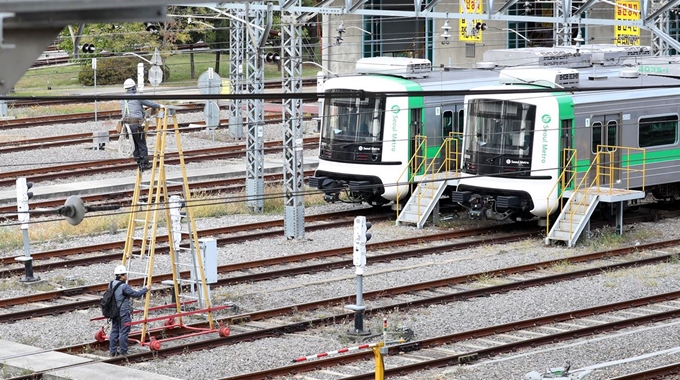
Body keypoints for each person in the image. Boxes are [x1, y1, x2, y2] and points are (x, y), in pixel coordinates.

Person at [120, 78, 162, 171]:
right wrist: (159, 106)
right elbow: (150, 103)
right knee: (141, 143)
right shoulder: (137, 97)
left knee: (134, 144)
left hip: (126, 126)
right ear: (134, 87)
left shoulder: (122, 99)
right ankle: (145, 164)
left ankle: (139, 163)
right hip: (136, 124)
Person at [109, 264, 150, 357]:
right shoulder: (124, 286)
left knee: (114, 330)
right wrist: (145, 289)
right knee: (123, 332)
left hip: (114, 312)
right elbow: (135, 294)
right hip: (123, 311)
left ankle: (112, 351)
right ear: (121, 276)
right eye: (125, 274)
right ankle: (123, 352)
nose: (126, 276)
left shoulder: (111, 284)